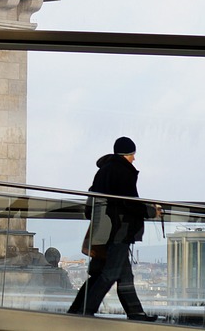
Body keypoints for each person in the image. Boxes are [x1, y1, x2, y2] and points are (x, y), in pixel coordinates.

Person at [67, 136, 160, 321]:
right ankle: (85, 312)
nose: (134, 158)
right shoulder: (124, 171)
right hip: (119, 230)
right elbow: (130, 203)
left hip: (102, 231)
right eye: (133, 154)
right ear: (127, 154)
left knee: (114, 275)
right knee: (109, 274)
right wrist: (151, 211)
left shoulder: (103, 172)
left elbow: (91, 205)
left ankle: (135, 313)